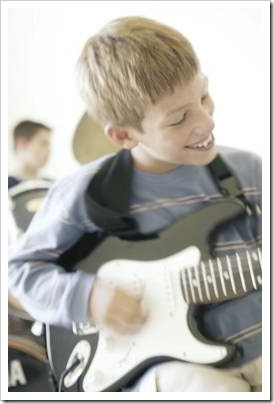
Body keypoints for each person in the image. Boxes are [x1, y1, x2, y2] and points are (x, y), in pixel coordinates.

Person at [8, 16, 262, 392]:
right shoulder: (83, 193)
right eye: (179, 119)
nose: (206, 122)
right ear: (124, 134)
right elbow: (21, 270)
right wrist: (89, 296)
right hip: (171, 369)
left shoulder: (246, 171)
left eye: (204, 96)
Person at [8, 120, 52, 189]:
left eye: (49, 145)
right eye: (43, 144)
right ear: (22, 144)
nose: (49, 151)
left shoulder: (51, 186)